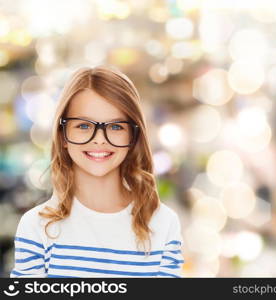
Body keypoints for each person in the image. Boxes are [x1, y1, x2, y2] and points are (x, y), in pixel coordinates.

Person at [10, 65, 184, 278]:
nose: (99, 138)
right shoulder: (36, 226)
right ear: (63, 135)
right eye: (83, 126)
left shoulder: (163, 224)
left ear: (133, 136)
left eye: (116, 126)